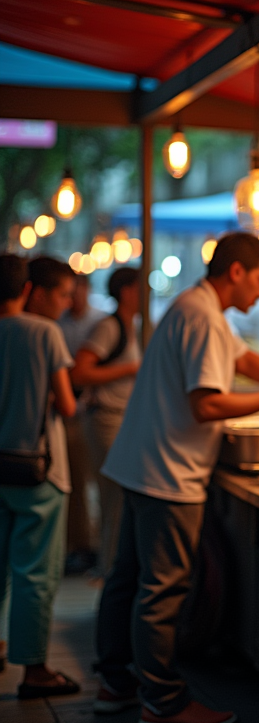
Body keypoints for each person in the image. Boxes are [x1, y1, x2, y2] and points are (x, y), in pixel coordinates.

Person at [94, 233, 259, 723]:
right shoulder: (202, 316)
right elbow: (207, 404)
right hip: (168, 473)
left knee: (126, 580)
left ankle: (115, 683)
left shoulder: (197, 308)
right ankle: (162, 703)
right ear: (237, 272)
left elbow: (243, 359)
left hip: (141, 464)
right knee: (161, 589)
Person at [0, 254, 80, 698]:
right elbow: (67, 405)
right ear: (27, 290)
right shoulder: (43, 332)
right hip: (38, 473)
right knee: (35, 574)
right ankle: (34, 672)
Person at [69, 267, 141, 576]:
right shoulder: (109, 327)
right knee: (114, 500)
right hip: (104, 421)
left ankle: (111, 570)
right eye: (141, 288)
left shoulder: (129, 325)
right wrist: (130, 370)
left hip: (119, 422)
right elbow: (80, 372)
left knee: (118, 500)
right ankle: (108, 573)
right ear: (126, 291)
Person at [57, 274, 105, 574]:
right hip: (68, 411)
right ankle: (79, 545)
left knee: (94, 483)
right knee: (73, 483)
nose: (72, 297)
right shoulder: (55, 324)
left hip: (90, 410)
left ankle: (93, 545)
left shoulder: (100, 321)